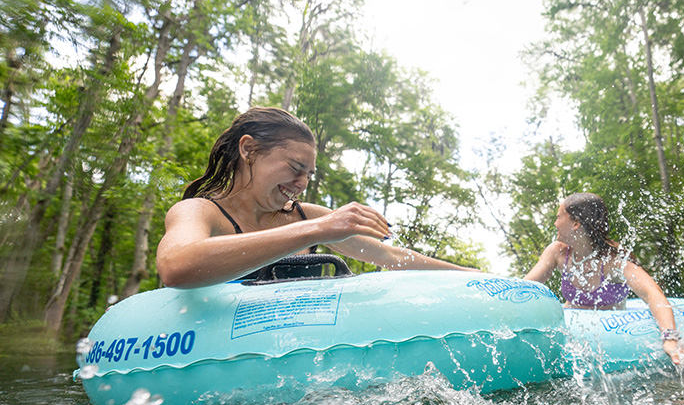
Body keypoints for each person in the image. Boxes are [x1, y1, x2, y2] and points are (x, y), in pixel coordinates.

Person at [156, 107, 475, 288]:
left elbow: (393, 259)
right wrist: (319, 230)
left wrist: (478, 278)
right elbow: (176, 266)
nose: (302, 183)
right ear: (249, 150)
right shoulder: (198, 212)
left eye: (309, 174)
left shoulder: (305, 214)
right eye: (296, 167)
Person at [523, 192, 684, 364]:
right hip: (573, 332)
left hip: (611, 338)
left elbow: (652, 293)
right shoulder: (558, 252)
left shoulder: (613, 260)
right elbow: (526, 288)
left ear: (576, 223)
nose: (555, 223)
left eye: (558, 217)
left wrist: (670, 338)